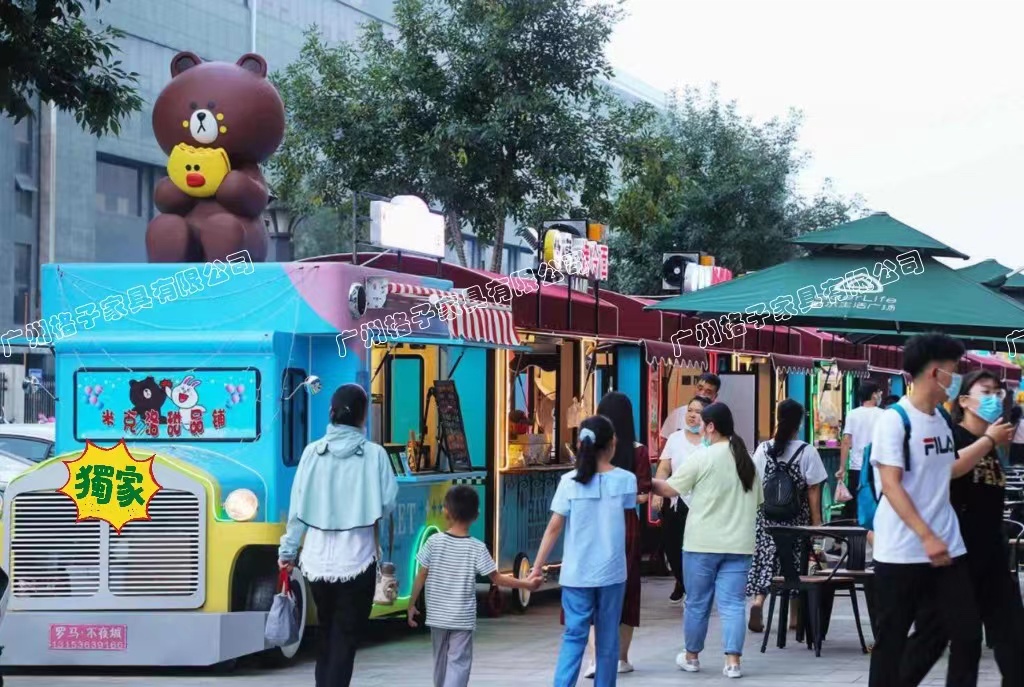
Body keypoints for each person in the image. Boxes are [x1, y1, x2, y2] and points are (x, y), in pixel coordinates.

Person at [867, 333, 1013, 687]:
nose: (955, 379)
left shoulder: (942, 421)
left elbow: (952, 467)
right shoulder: (894, 419)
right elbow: (891, 485)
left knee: (965, 636)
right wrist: (925, 535)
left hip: (947, 549)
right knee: (892, 642)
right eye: (952, 371)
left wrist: (989, 441)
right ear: (935, 373)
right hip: (902, 550)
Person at [898, 370, 1024, 686]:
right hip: (955, 558)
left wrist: (991, 441)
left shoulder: (994, 446)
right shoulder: (953, 436)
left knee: (1014, 640)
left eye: (999, 393)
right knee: (937, 639)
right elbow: (950, 469)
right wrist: (989, 440)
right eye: (987, 392)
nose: (996, 399)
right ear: (965, 400)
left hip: (993, 558)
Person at [278, 383, 399, 687]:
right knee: (345, 639)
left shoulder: (311, 454)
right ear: (363, 418)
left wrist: (287, 553)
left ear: (331, 413)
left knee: (325, 634)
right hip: (357, 560)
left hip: (316, 561)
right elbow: (387, 504)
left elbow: (297, 509)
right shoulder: (375, 455)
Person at [651, 402, 763, 679]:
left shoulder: (703, 457)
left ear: (711, 427)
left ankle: (691, 657)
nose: (698, 428)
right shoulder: (746, 460)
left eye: (702, 424)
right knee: (734, 604)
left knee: (697, 603)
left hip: (701, 544)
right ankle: (733, 662)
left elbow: (669, 488)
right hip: (739, 544)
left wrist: (644, 481)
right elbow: (759, 501)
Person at [531, 415, 638, 687]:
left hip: (577, 573)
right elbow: (628, 514)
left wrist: (537, 566)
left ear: (580, 444)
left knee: (574, 635)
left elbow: (554, 527)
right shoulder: (626, 480)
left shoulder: (569, 481)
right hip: (613, 572)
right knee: (607, 638)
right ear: (612, 443)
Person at [408, 486, 540, 687]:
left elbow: (421, 574)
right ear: (477, 515)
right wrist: (526, 584)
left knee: (440, 661)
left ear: (446, 511)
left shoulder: (434, 542)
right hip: (462, 617)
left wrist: (411, 605)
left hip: (437, 616)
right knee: (458, 662)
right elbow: (497, 579)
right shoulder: (477, 548)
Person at [572, 392, 650, 677]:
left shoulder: (588, 448)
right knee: (626, 591)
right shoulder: (639, 450)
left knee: (593, 587)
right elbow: (643, 492)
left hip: (591, 524)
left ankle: (594, 659)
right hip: (626, 527)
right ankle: (620, 657)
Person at [745, 399, 828, 633]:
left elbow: (754, 484)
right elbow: (813, 489)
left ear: (777, 418)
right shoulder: (807, 451)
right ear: (799, 423)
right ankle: (793, 616)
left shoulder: (763, 449)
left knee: (766, 561)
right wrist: (816, 521)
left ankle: (758, 602)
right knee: (794, 563)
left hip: (767, 519)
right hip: (795, 520)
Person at [651, 396, 710, 604]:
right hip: (676, 501)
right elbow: (664, 467)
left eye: (698, 412)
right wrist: (657, 493)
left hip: (703, 505)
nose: (692, 416)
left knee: (697, 549)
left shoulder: (711, 441)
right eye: (690, 411)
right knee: (672, 546)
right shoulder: (675, 439)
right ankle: (682, 580)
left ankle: (695, 589)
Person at [837, 382, 884, 521]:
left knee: (856, 501)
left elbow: (846, 441)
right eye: (879, 392)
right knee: (877, 500)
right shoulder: (884, 414)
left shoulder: (852, 414)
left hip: (856, 466)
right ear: (873, 394)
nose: (880, 395)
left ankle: (856, 529)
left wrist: (842, 467)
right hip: (877, 466)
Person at [660, 372, 720, 438]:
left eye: (708, 392)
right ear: (695, 388)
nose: (702, 394)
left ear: (715, 396)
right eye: (700, 389)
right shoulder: (677, 414)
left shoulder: (719, 419)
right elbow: (664, 440)